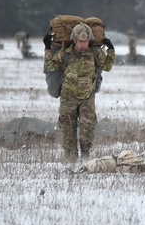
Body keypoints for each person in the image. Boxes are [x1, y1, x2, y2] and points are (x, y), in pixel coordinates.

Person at [44, 22, 116, 161]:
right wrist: (48, 48)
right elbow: (51, 66)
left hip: (87, 98)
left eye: (86, 41)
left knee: (87, 130)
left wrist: (111, 49)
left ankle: (85, 157)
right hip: (68, 98)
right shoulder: (65, 53)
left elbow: (106, 66)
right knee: (68, 131)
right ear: (75, 40)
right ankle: (70, 159)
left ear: (89, 41)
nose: (83, 44)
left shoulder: (95, 53)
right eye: (80, 41)